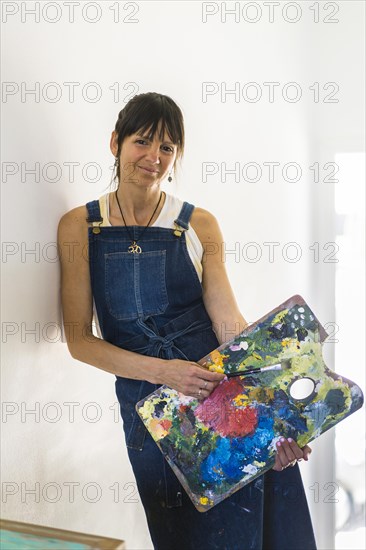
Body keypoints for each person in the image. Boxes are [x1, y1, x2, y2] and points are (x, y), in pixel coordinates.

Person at [58, 92, 317, 550]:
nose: (153, 158)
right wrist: (165, 374)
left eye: (167, 148)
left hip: (224, 403)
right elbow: (79, 341)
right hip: (151, 419)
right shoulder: (79, 226)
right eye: (142, 142)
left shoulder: (199, 224)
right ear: (115, 142)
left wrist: (271, 416)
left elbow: (229, 328)